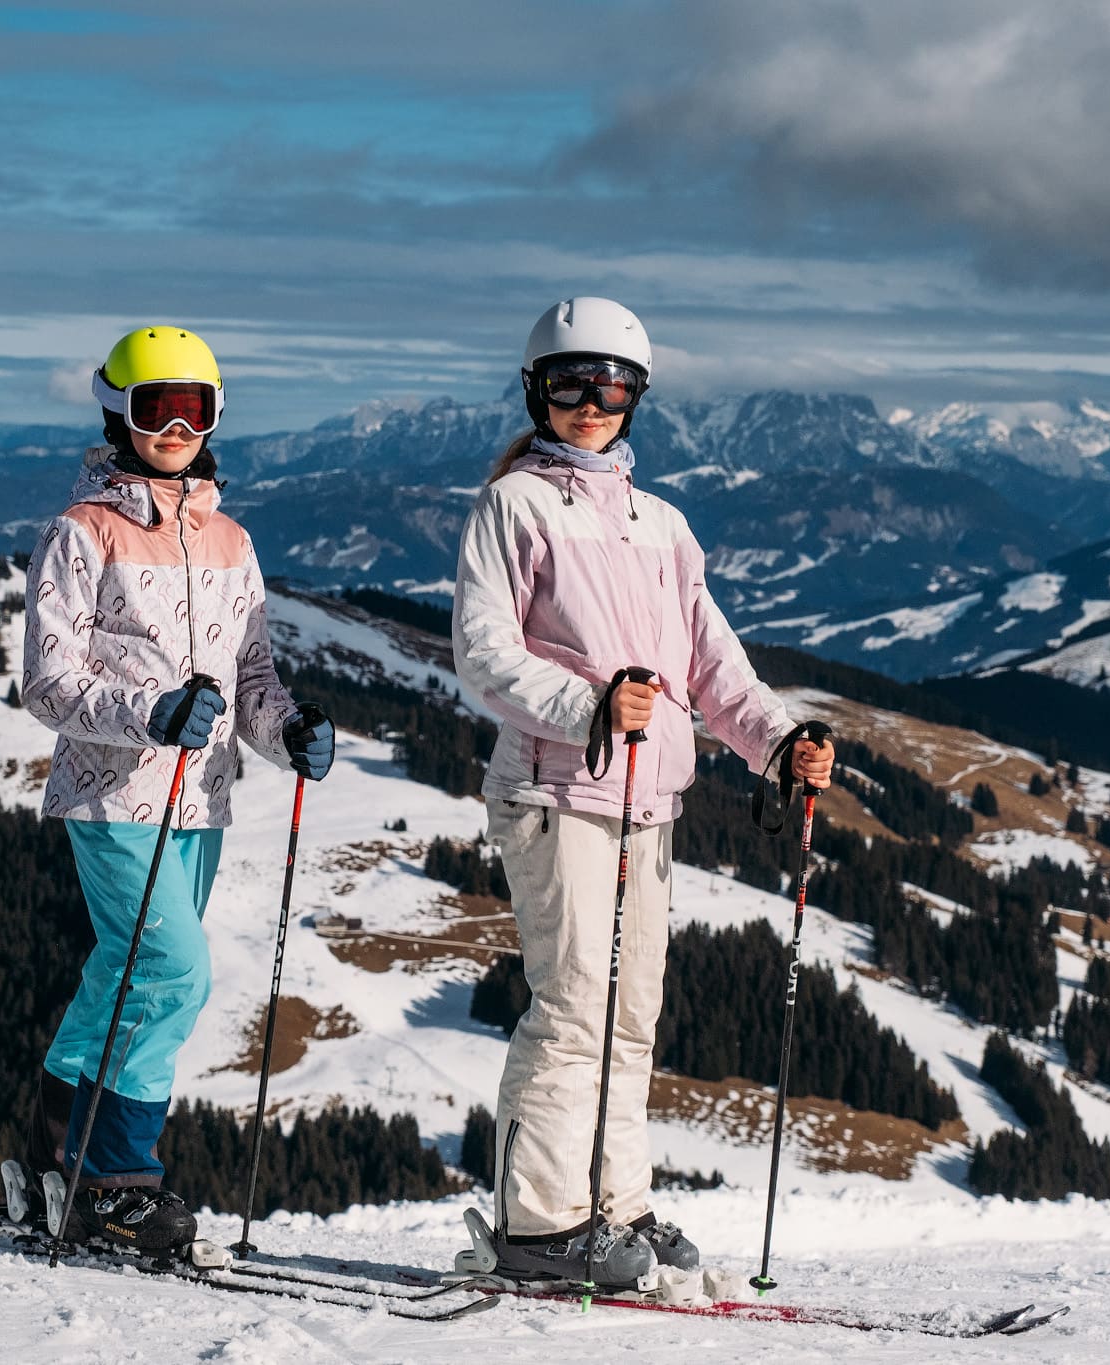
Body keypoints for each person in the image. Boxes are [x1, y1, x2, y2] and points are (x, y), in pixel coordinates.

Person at [452, 297, 835, 1287]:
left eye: (611, 385)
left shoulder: (661, 524)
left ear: (637, 396)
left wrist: (780, 741)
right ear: (536, 391)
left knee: (629, 1015)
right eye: (569, 384)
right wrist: (586, 703)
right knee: (575, 1007)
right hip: (556, 789)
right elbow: (482, 652)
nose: (590, 403)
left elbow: (713, 665)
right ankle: (541, 1225)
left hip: (646, 801)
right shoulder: (514, 506)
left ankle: (614, 1206)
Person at [19, 325, 335, 1252]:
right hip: (113, 793)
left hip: (202, 801)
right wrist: (150, 713)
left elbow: (253, 679)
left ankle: (47, 1165)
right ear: (118, 410)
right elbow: (47, 682)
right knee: (172, 972)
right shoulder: (82, 533)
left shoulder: (232, 541)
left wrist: (289, 730)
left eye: (195, 410)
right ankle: (118, 1178)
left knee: (119, 976)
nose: (176, 428)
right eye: (157, 407)